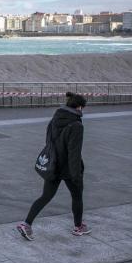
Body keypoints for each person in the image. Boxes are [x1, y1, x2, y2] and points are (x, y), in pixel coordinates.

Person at [17, 92, 90, 241]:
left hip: (53, 164)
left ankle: (26, 224)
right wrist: (76, 175)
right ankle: (78, 227)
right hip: (68, 168)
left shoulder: (55, 118)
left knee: (45, 196)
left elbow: (49, 141)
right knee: (77, 196)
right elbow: (74, 153)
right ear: (80, 107)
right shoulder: (76, 125)